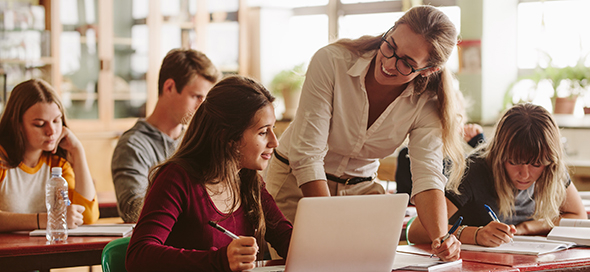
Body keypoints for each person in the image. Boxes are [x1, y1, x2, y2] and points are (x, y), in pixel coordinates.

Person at [264, 5, 464, 260]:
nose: (389, 64)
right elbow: (307, 155)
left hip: (359, 192)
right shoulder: (332, 61)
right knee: (301, 263)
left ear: (428, 70)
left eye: (407, 63)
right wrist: (326, 223)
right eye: (391, 46)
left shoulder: (429, 101)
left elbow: (427, 176)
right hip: (297, 183)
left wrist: (441, 238)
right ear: (389, 31)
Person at [126, 76, 292, 272]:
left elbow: (287, 240)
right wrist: (219, 260)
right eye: (263, 132)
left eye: (273, 130)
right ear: (227, 136)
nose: (275, 142)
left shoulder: (248, 180)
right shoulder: (176, 178)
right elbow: (138, 256)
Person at [408, 103, 587, 247]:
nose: (525, 174)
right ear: (499, 155)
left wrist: (527, 228)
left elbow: (578, 216)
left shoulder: (551, 168)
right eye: (514, 161)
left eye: (536, 164)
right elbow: (416, 230)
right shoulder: (474, 170)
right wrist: (475, 234)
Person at [111, 48, 222, 223]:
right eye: (196, 96)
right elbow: (132, 210)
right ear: (169, 87)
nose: (203, 107)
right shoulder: (132, 145)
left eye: (205, 99)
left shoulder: (198, 141)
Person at [0, 79, 99, 232]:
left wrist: (78, 151)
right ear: (17, 124)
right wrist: (48, 219)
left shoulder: (58, 164)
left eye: (56, 121)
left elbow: (87, 216)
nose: (51, 131)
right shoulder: (2, 161)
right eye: (39, 124)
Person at [395, 123, 485, 195]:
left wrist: (480, 143)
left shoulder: (461, 160)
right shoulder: (407, 154)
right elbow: (404, 197)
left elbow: (488, 180)